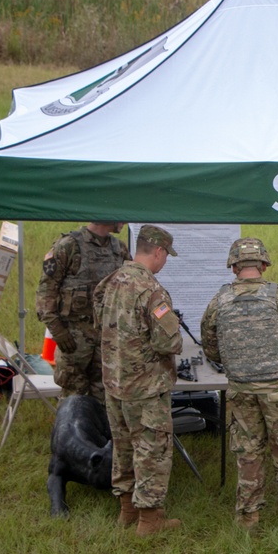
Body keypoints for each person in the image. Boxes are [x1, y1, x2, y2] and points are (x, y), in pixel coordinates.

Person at [200, 238, 278, 532]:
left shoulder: (219, 301)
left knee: (248, 453)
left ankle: (248, 519)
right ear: (263, 265)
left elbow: (211, 348)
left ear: (234, 267)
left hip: (242, 390)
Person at [93, 225, 183, 536]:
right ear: (158, 252)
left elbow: (98, 323)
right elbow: (169, 342)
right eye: (165, 256)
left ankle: (127, 510)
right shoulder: (151, 290)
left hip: (114, 381)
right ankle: (150, 520)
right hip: (145, 387)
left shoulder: (110, 281)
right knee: (152, 449)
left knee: (123, 446)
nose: (165, 262)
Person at [36, 222, 130, 402]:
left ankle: (98, 429)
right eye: (119, 216)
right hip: (73, 338)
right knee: (73, 395)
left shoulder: (119, 249)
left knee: (105, 394)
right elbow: (46, 291)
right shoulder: (69, 246)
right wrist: (58, 331)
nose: (123, 222)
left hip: (107, 337)